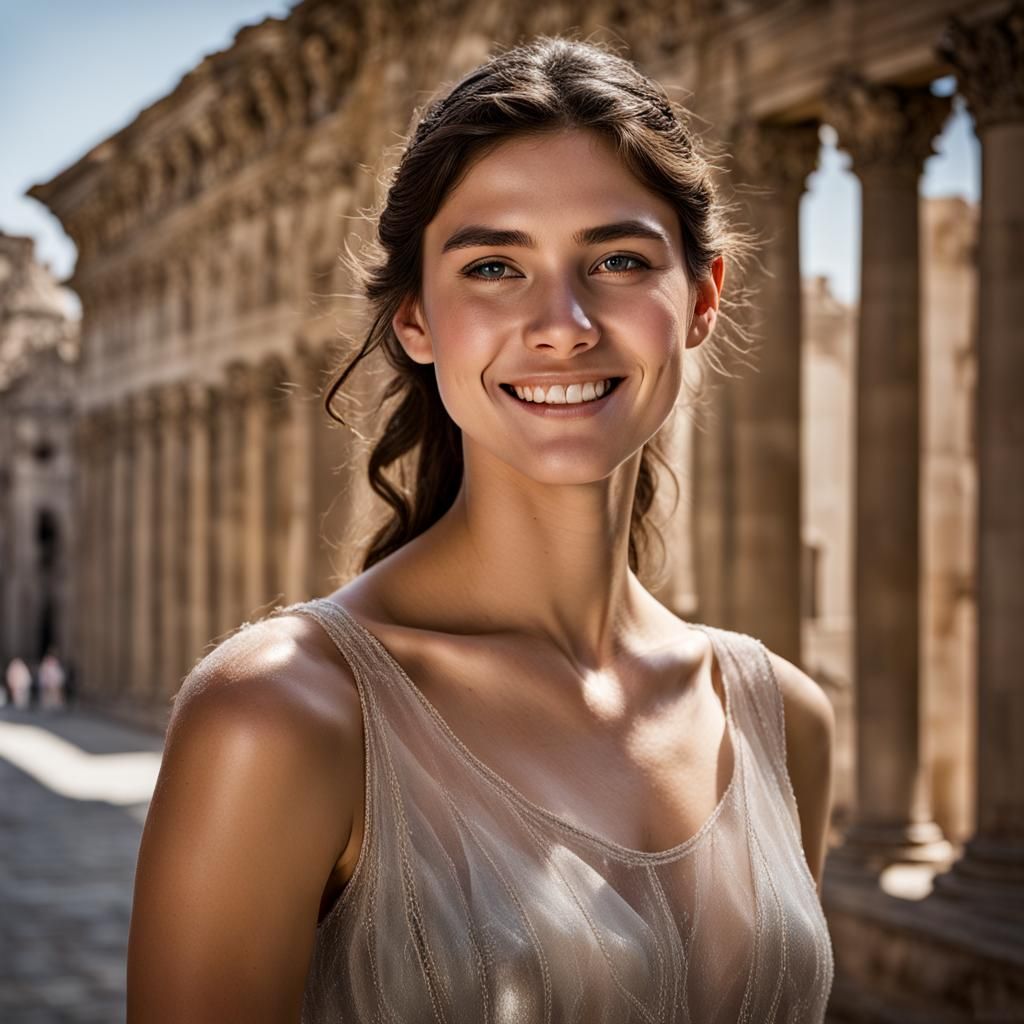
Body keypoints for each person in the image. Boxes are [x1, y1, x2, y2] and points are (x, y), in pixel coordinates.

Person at [127, 35, 836, 1023]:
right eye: (496, 265)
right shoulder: (282, 713)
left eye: (619, 258)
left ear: (701, 300)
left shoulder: (782, 722)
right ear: (415, 319)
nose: (563, 321)